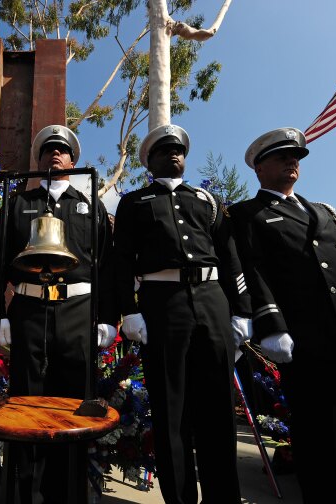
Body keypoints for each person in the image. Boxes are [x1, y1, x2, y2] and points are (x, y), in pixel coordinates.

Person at [229, 127, 336, 503]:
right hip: (308, 341)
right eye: (282, 157)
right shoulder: (247, 214)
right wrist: (270, 324)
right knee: (325, 444)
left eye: (295, 158)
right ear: (259, 168)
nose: (291, 163)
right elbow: (251, 271)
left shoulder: (324, 212)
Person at [113, 124, 251, 504]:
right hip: (162, 301)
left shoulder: (206, 199)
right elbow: (121, 261)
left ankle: (224, 497)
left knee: (218, 410)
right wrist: (129, 311)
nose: (174, 155)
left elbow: (230, 256)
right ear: (149, 161)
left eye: (179, 150)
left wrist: (241, 311)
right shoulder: (134, 202)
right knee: (170, 411)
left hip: (211, 298)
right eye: (164, 150)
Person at [0, 124, 117, 503]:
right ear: (38, 159)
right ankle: (22, 490)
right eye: (47, 150)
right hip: (27, 308)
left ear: (73, 160)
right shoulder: (17, 202)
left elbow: (106, 267)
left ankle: (65, 492)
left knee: (73, 404)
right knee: (25, 400)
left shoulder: (91, 205)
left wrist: (107, 318)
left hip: (78, 310)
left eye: (61, 150)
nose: (54, 154)